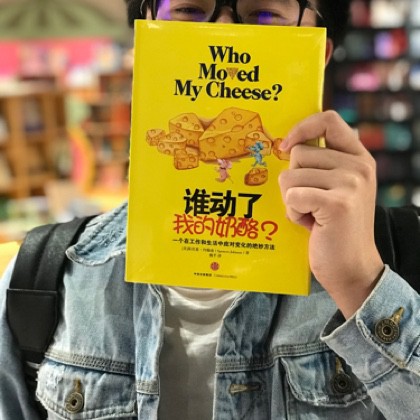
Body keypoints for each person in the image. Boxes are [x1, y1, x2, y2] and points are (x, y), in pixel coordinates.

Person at [0, 0, 419, 418]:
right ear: (144, 37)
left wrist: (360, 284)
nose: (222, 30)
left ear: (320, 51)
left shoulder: (398, 261)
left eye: (265, 14)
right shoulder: (43, 279)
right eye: (188, 9)